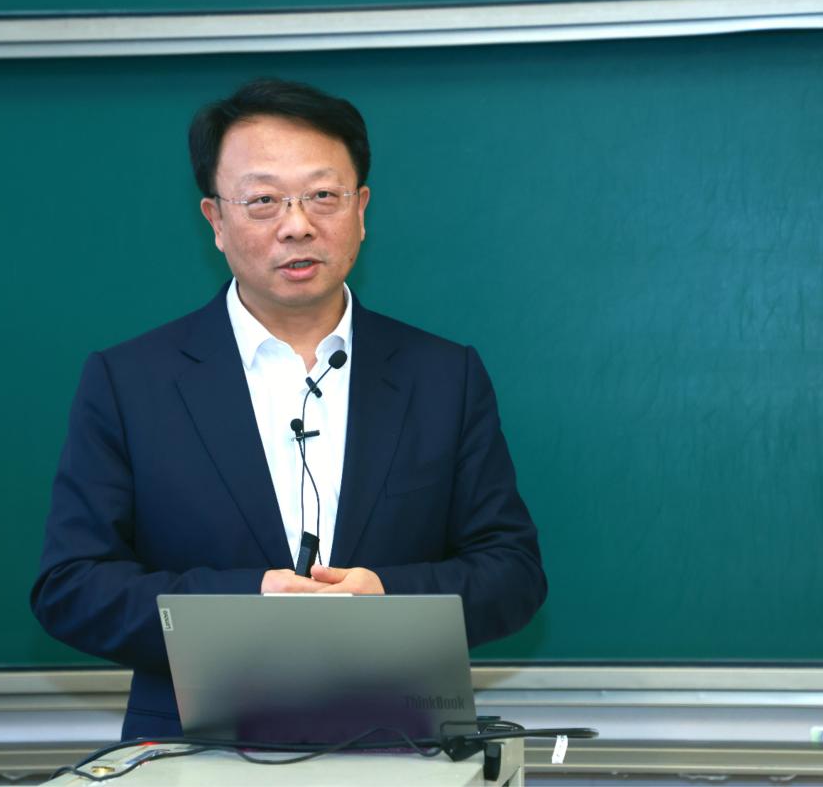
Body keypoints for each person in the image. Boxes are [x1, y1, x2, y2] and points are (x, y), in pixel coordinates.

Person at [30, 78, 546, 740]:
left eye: (323, 196)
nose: (297, 224)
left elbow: (513, 573)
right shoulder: (130, 381)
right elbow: (71, 586)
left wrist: (387, 598)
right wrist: (250, 602)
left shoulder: (444, 376)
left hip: (399, 750)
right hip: (193, 756)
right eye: (263, 200)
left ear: (361, 209)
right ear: (216, 221)